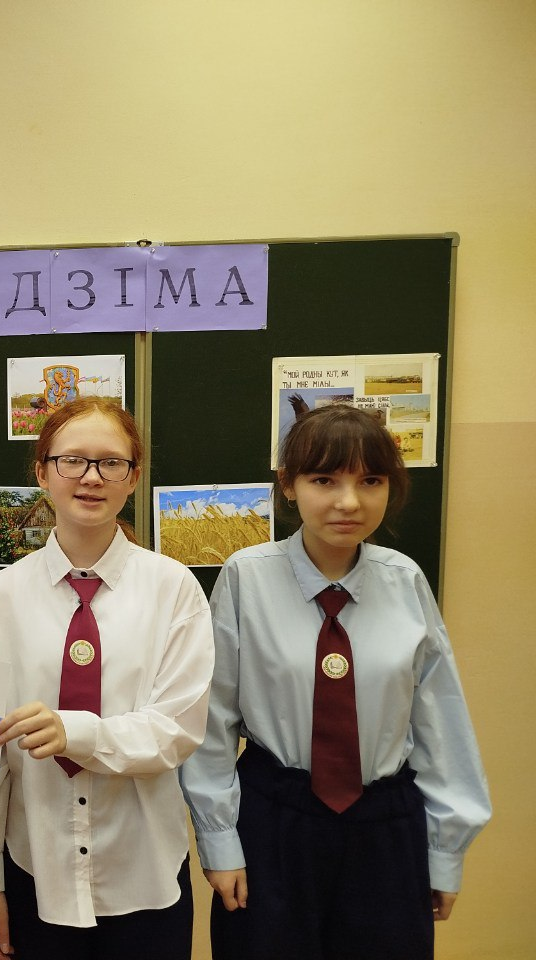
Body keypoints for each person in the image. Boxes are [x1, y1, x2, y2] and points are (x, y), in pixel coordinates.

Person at [179, 404, 491, 960]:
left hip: (385, 824)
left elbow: (440, 721)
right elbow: (213, 719)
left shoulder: (405, 580)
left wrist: (445, 851)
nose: (349, 502)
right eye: (324, 480)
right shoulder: (246, 576)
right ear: (289, 484)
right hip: (275, 819)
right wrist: (219, 841)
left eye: (370, 481)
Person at [0, 396, 214, 960]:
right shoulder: (4, 595)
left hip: (144, 873)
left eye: (111, 463)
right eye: (72, 460)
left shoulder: (174, 588)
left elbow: (176, 730)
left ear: (134, 477)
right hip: (36, 870)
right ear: (42, 472)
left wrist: (76, 733)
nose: (91, 477)